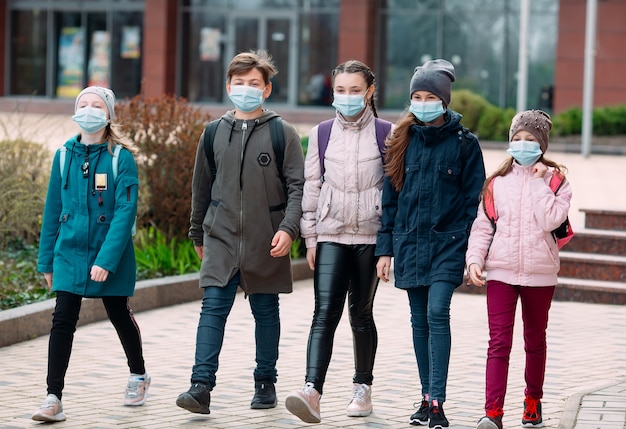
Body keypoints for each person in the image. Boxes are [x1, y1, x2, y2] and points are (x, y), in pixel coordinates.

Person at [176, 50, 305, 414]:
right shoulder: (213, 132)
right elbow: (200, 187)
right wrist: (197, 233)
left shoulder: (283, 133)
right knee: (213, 308)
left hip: (267, 238)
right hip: (221, 236)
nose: (245, 89)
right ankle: (200, 385)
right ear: (228, 86)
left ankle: (265, 382)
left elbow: (298, 187)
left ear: (267, 89)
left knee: (265, 310)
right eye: (239, 83)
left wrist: (289, 229)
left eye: (254, 83)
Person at [375, 59, 486, 429]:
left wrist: (472, 252)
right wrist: (385, 248)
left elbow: (474, 203)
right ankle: (426, 398)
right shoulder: (400, 141)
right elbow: (389, 201)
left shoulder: (465, 144)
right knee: (418, 320)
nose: (422, 103)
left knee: (437, 314)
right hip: (409, 242)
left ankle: (438, 400)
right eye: (416, 96)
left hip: (448, 244)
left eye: (429, 96)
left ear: (444, 100)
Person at [284, 60, 392, 423]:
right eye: (341, 90)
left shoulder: (386, 133)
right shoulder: (321, 133)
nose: (347, 97)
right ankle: (312, 391)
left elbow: (394, 192)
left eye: (355, 90)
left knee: (360, 314)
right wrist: (310, 237)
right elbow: (312, 186)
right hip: (330, 234)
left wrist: (387, 246)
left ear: (369, 92)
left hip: (370, 237)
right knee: (323, 313)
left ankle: (363, 389)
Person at [33, 86, 148, 422]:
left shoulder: (119, 157)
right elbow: (52, 210)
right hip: (69, 251)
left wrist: (106, 260)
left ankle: (138, 374)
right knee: (62, 319)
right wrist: (46, 260)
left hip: (108, 254)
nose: (89, 110)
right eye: (83, 104)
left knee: (118, 313)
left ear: (109, 115)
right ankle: (53, 397)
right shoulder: (64, 155)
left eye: (97, 106)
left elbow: (125, 213)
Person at [466, 110, 571, 429]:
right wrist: (474, 260)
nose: (523, 144)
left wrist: (539, 183)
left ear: (542, 145)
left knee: (534, 340)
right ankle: (493, 413)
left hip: (540, 274)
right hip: (501, 273)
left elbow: (552, 220)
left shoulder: (556, 180)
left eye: (530, 140)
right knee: (498, 342)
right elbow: (483, 227)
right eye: (517, 139)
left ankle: (532, 402)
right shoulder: (496, 183)